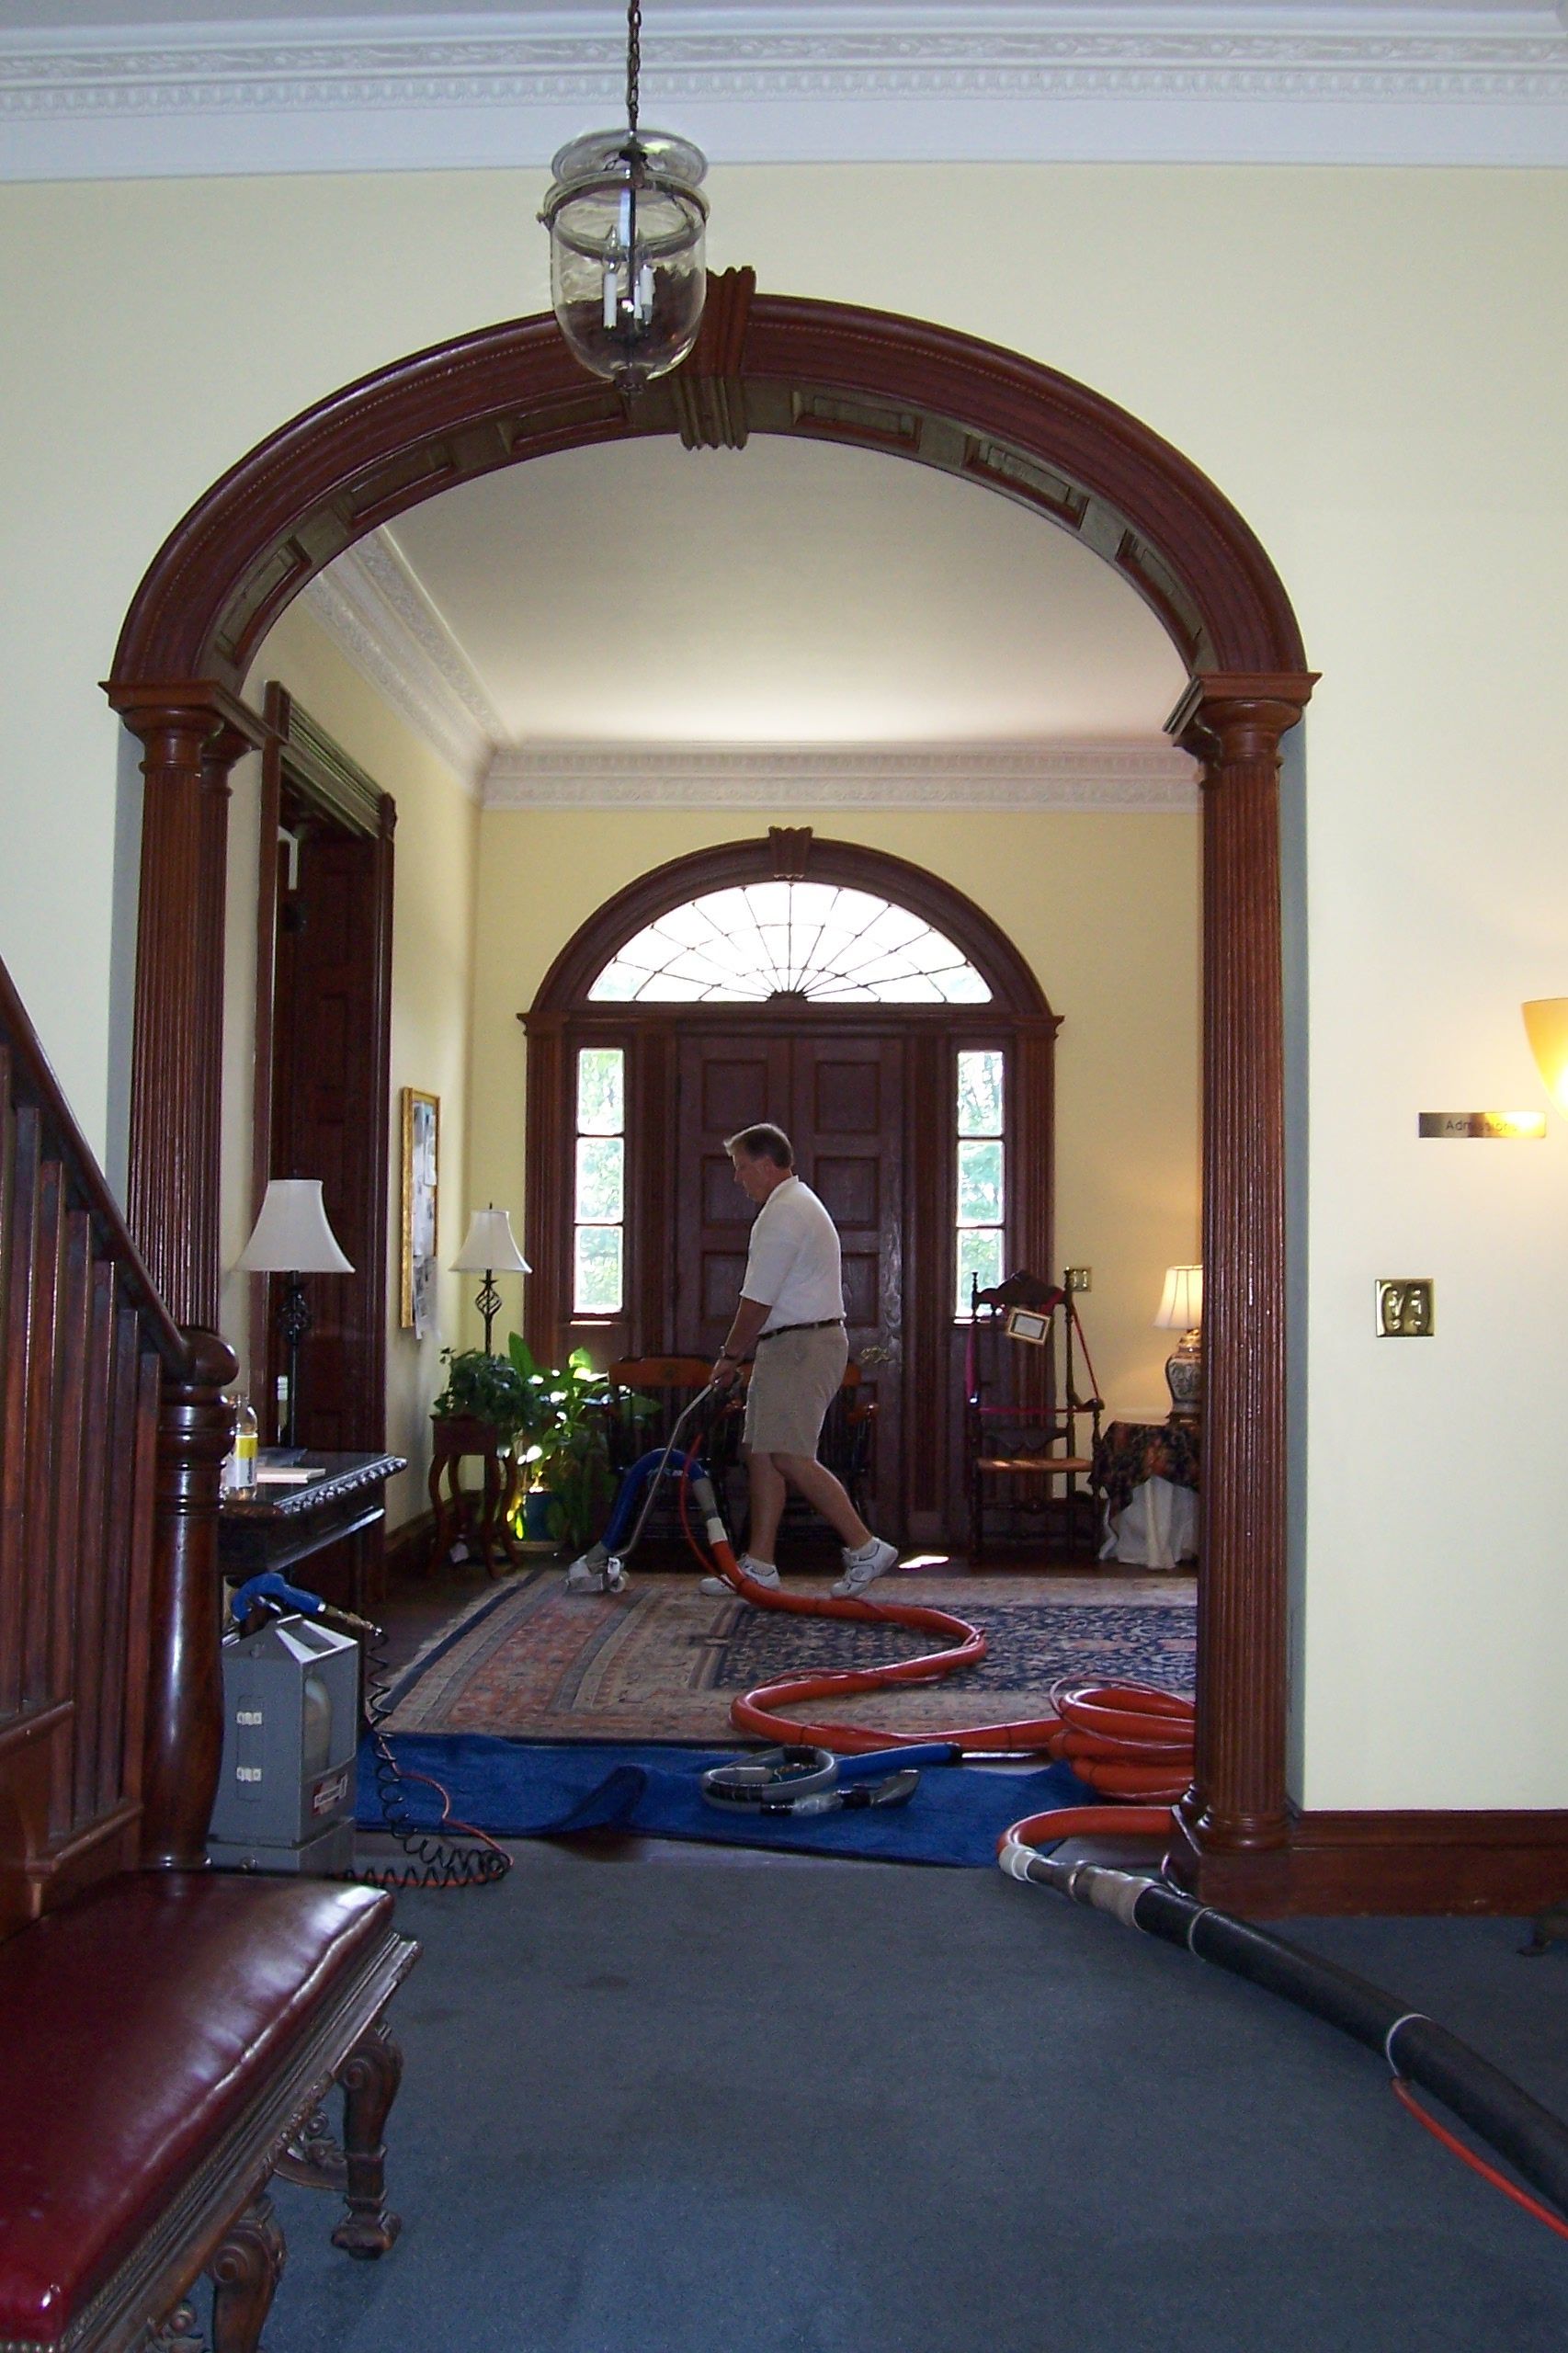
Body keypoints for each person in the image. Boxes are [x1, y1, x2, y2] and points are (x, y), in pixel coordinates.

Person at [702, 1121, 900, 1599]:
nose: (737, 1178)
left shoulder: (785, 1213)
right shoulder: (789, 1205)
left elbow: (757, 1300)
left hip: (801, 1346)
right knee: (763, 1452)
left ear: (768, 1164)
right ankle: (760, 1565)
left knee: (789, 1454)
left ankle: (865, 1546)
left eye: (742, 1167)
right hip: (788, 1345)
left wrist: (729, 1356)